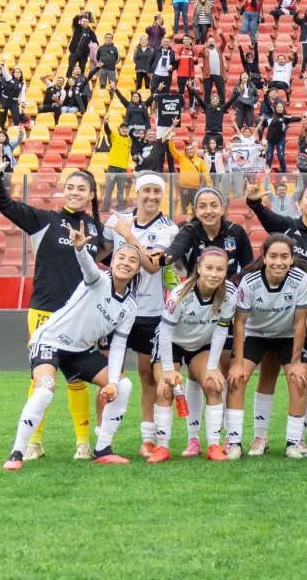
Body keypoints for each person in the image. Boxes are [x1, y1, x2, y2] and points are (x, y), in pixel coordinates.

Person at [2, 226, 141, 470]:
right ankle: (16, 453)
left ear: (138, 269)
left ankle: (103, 450)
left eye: (132, 261)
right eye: (121, 257)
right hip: (49, 341)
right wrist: (79, 249)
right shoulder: (98, 280)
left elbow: (118, 345)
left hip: (80, 351)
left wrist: (113, 383)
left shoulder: (129, 307)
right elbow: (88, 266)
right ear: (112, 261)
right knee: (45, 390)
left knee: (125, 384)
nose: (126, 263)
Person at [101, 174, 179, 459]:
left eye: (157, 191)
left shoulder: (169, 230)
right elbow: (102, 251)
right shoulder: (117, 220)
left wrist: (129, 236)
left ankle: (148, 439)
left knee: (147, 375)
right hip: (115, 308)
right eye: (146, 190)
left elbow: (152, 267)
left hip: (150, 312)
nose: (151, 196)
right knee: (108, 375)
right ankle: (100, 439)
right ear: (136, 191)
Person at [225, 234, 307, 460]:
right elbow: (240, 323)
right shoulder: (250, 281)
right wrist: (237, 363)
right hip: (255, 335)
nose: (279, 262)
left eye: (285, 257)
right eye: (273, 256)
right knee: (237, 379)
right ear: (264, 257)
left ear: (292, 258)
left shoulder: (301, 279)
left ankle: (293, 443)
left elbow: (301, 322)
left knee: (298, 380)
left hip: (288, 335)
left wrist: (296, 362)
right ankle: (239, 441)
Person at [146, 247, 237, 463]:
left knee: (214, 383)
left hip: (201, 344)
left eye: (220, 269)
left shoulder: (230, 294)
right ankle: (162, 447)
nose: (214, 274)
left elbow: (222, 329)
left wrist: (213, 366)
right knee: (165, 388)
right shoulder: (181, 294)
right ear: (199, 268)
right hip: (172, 343)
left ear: (225, 271)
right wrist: (168, 369)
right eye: (209, 268)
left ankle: (213, 445)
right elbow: (166, 332)